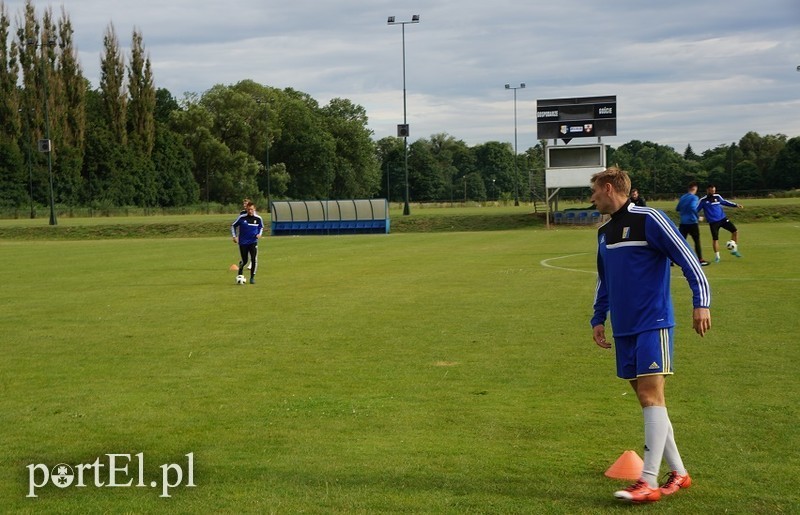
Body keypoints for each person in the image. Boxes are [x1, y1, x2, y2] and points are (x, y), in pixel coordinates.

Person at [589, 167, 711, 503]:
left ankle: (647, 481)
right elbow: (605, 280)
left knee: (649, 395)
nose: (592, 198)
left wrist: (701, 303)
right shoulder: (603, 232)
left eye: (594, 192)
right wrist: (598, 318)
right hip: (623, 328)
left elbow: (688, 259)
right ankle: (680, 473)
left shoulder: (649, 218)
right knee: (650, 402)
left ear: (609, 187)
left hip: (653, 322)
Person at [697, 185, 743, 261]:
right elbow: (695, 210)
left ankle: (734, 250)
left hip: (723, 219)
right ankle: (717, 257)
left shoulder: (717, 197)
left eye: (714, 191)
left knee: (735, 231)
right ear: (708, 190)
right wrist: (698, 217)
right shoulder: (703, 200)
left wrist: (735, 205)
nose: (713, 192)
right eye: (712, 191)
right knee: (715, 239)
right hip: (713, 222)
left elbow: (725, 202)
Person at [676, 182, 709, 266]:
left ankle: (672, 260)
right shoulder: (694, 197)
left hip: (683, 223)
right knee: (696, 241)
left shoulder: (683, 197)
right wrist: (698, 217)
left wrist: (684, 211)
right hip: (692, 222)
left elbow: (678, 208)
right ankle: (700, 259)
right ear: (694, 189)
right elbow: (692, 207)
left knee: (680, 242)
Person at [230, 202, 264, 284]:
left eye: (251, 209)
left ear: (254, 209)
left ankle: (252, 278)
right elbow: (233, 226)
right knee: (245, 261)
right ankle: (241, 266)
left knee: (254, 259)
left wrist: (259, 234)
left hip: (253, 242)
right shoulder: (242, 218)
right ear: (246, 209)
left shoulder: (258, 218)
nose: (250, 211)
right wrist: (234, 236)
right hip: (243, 243)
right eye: (248, 209)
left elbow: (261, 227)